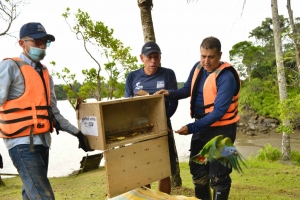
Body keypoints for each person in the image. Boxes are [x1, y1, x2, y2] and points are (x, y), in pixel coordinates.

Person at [0, 22, 93, 199]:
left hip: (43, 141)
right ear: (22, 43)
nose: (42, 46)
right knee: (44, 196)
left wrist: (77, 133)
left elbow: (53, 112)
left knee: (30, 194)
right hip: (22, 144)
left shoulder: (45, 74)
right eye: (37, 41)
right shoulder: (10, 67)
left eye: (45, 42)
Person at [155, 36, 240, 200]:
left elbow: (218, 112)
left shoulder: (226, 77)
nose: (206, 61)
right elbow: (187, 89)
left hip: (222, 131)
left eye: (211, 57)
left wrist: (191, 128)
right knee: (198, 171)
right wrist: (169, 93)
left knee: (219, 177)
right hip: (202, 126)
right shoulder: (198, 67)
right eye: (203, 56)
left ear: (220, 55)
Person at [124, 41, 180, 194]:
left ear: (160, 57)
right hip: (139, 129)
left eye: (156, 57)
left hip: (162, 127)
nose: (153, 61)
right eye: (149, 57)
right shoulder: (132, 77)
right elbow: (127, 103)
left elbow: (173, 102)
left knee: (164, 169)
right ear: (142, 58)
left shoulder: (168, 74)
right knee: (143, 171)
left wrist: (161, 121)